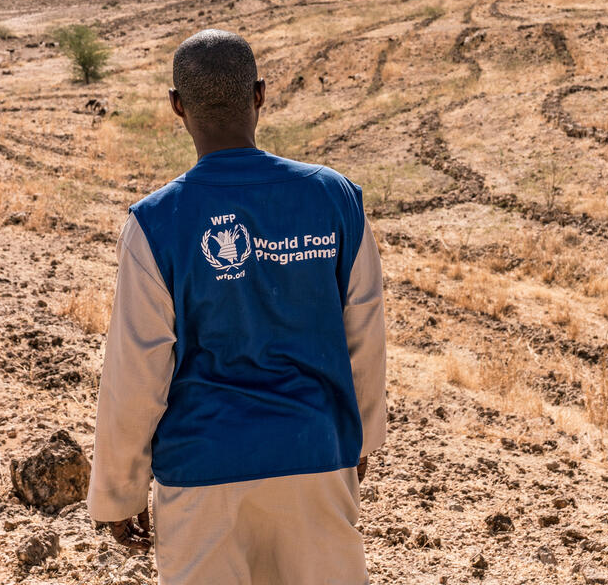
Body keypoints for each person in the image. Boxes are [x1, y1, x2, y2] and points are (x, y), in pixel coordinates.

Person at [88, 29, 387, 584]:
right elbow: (364, 335)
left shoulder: (155, 223)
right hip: (316, 453)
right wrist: (360, 439)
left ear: (177, 106)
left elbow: (135, 372)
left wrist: (118, 492)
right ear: (260, 94)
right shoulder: (335, 199)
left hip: (201, 472)